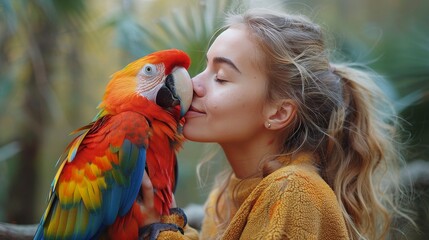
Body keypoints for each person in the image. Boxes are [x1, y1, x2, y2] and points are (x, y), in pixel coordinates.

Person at [140, 8, 412, 240]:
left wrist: (161, 230)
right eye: (205, 68)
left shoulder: (294, 192)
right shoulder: (225, 199)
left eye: (221, 77)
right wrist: (167, 220)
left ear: (279, 113)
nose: (194, 84)